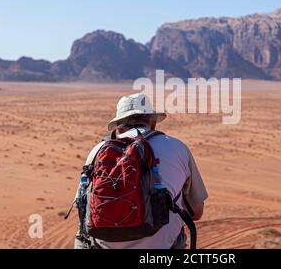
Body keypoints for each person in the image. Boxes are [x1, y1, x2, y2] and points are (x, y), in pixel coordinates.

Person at [74, 93, 208, 249]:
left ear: (118, 128)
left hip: (102, 245)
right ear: (153, 124)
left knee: (82, 236)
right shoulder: (177, 148)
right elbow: (196, 213)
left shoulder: (97, 152)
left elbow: (82, 208)